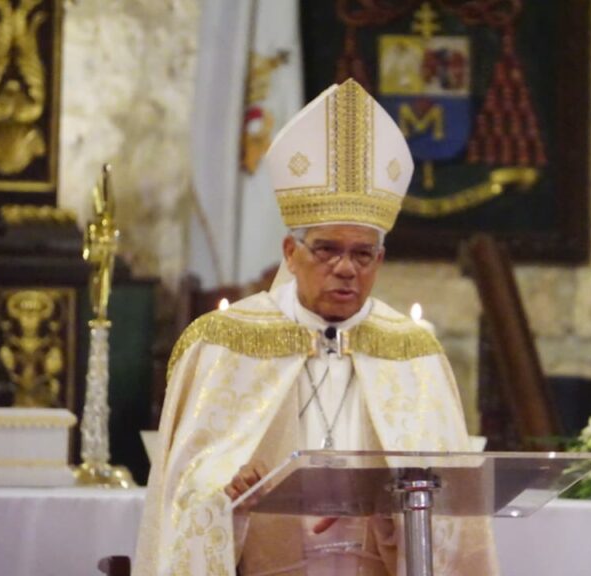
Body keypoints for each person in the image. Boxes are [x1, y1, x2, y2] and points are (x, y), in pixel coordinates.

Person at [134, 79, 498, 575]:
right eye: (326, 249)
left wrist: (394, 512)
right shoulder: (223, 343)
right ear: (290, 252)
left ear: (380, 259)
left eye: (362, 254)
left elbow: (454, 513)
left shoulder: (414, 354)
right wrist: (229, 493)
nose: (346, 268)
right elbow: (182, 492)